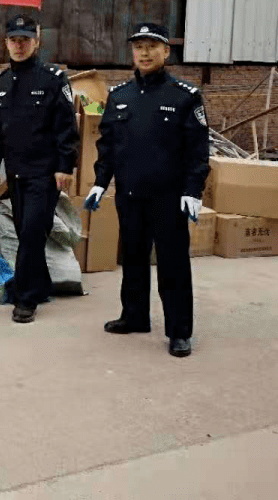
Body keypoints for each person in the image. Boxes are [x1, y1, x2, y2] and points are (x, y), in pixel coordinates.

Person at [84, 22, 210, 357]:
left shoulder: (184, 96)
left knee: (172, 265)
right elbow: (108, 145)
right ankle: (135, 316)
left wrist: (193, 190)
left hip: (168, 198)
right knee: (134, 260)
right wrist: (100, 182)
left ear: (166, 51)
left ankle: (179, 331)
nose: (144, 52)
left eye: (152, 46)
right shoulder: (120, 96)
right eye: (138, 46)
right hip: (130, 195)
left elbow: (198, 151)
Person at [0, 15, 80, 324]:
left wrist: (65, 166)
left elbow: (66, 126)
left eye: (25, 40)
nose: (19, 45)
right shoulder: (0, 84)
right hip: (15, 172)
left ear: (36, 42)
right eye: (14, 40)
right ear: (6, 43)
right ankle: (39, 285)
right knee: (28, 231)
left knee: (29, 233)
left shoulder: (52, 79)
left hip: (45, 172)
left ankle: (25, 299)